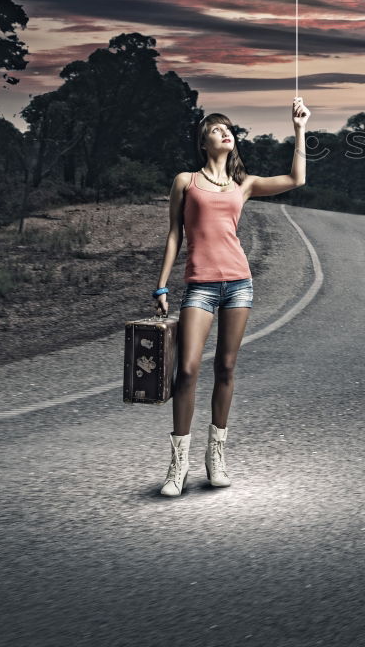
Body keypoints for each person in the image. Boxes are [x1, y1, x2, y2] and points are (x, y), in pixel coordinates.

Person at [152, 96, 311, 496]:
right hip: (200, 287)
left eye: (229, 128)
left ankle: (216, 456)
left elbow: (296, 180)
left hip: (239, 283)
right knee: (186, 370)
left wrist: (299, 130)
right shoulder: (186, 181)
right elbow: (175, 234)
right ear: (203, 141)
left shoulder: (245, 184)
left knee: (225, 368)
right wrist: (162, 284)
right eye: (216, 128)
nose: (226, 132)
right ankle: (178, 466)